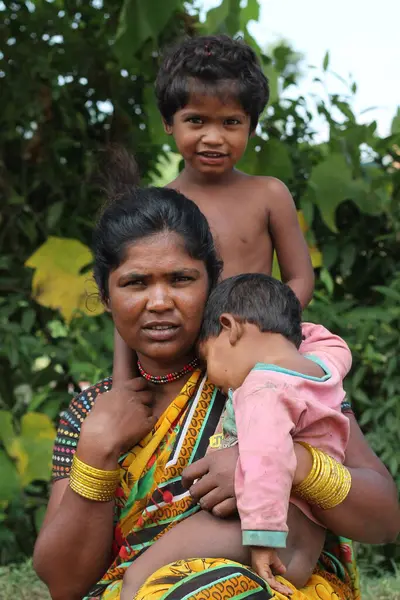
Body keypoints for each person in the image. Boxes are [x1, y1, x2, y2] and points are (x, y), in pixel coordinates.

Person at [33, 160, 399, 600]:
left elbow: (384, 519)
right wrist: (97, 451)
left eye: (181, 279)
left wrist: (290, 462)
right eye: (135, 283)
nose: (160, 301)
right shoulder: (90, 414)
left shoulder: (274, 373)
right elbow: (63, 584)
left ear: (212, 283)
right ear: (107, 297)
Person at [119, 275, 351, 598]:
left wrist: (261, 539)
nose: (219, 382)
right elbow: (329, 342)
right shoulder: (324, 368)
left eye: (209, 358)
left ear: (230, 328)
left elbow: (266, 459)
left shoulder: (261, 388)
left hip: (264, 532)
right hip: (306, 539)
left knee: (139, 577)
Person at [113, 34, 314, 383]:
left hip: (258, 354)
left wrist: (262, 328)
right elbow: (129, 295)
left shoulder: (268, 194)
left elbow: (300, 278)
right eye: (196, 121)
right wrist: (121, 382)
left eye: (231, 122)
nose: (214, 137)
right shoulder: (158, 207)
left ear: (252, 126)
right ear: (168, 122)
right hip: (180, 358)